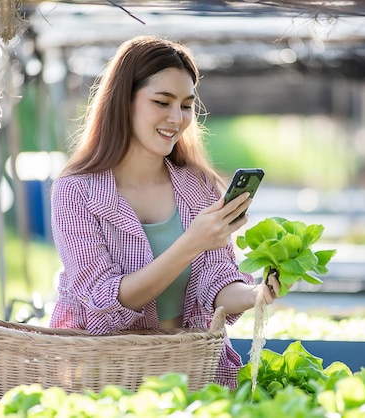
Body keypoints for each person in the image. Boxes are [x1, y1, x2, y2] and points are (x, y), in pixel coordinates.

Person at [49, 35, 281, 389]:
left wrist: (256, 294)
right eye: (162, 102)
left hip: (194, 375)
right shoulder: (75, 192)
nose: (177, 118)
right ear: (123, 102)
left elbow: (216, 279)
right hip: (109, 379)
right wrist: (190, 243)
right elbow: (104, 301)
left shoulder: (197, 185)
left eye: (187, 105)